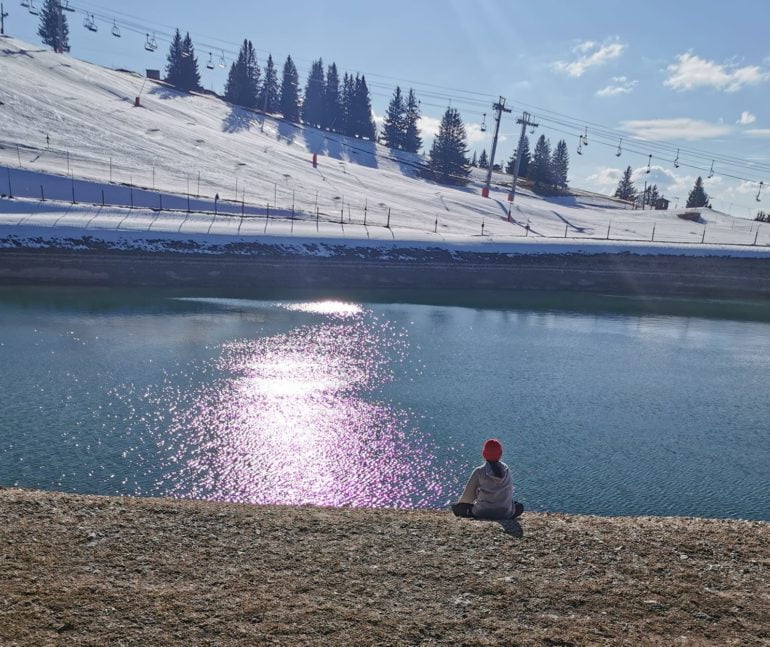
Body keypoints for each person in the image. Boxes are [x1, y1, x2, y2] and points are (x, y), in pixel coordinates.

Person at [452, 438, 524, 520]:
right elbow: (509, 493)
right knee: (519, 506)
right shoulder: (506, 469)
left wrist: (462, 504)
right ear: (500, 454)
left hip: (482, 512)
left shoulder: (479, 471)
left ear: (483, 454)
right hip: (505, 513)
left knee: (456, 507)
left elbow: (467, 498)